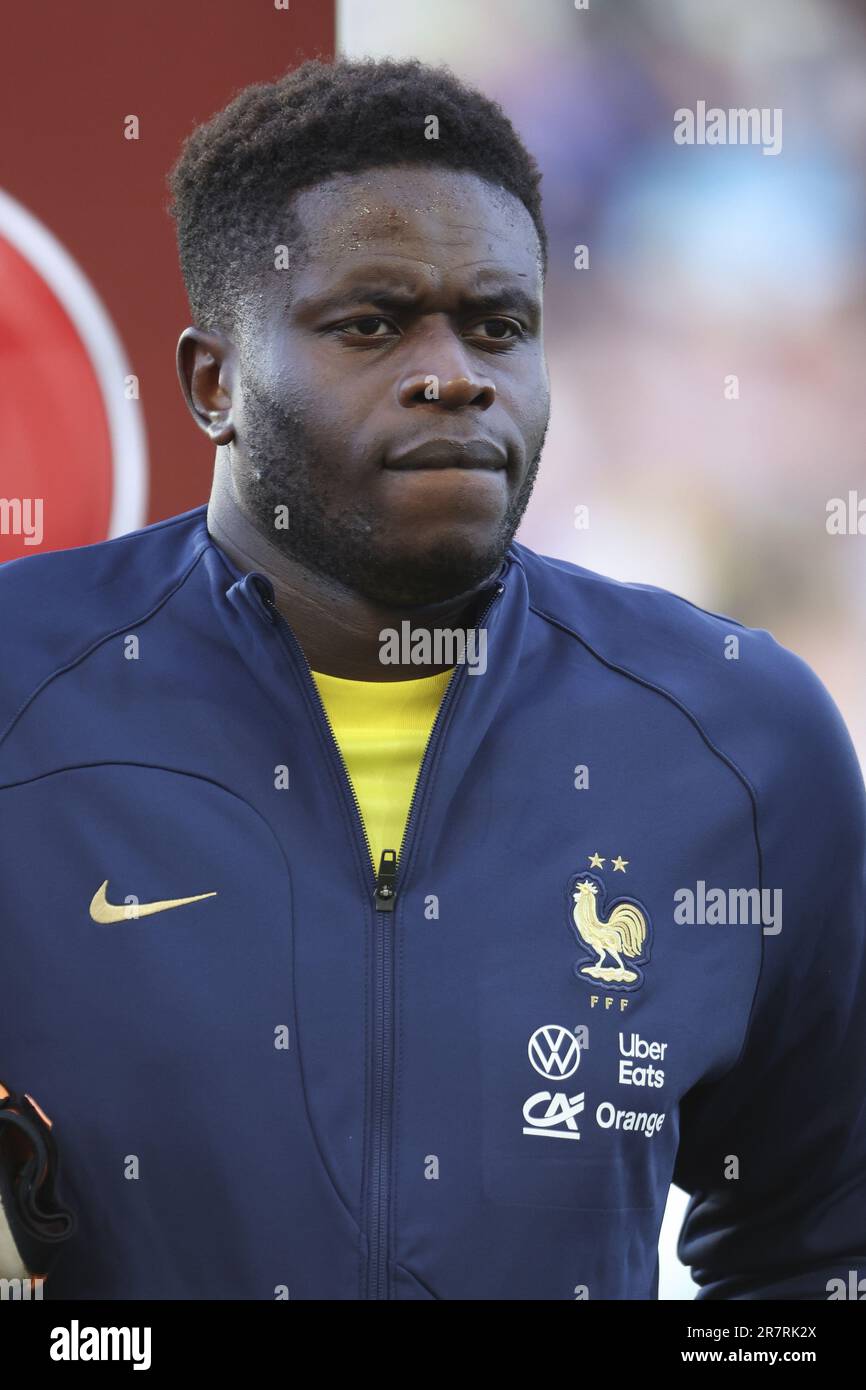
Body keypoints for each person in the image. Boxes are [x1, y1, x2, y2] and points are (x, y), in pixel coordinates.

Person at [0, 57, 863, 1301]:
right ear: (213, 385)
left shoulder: (738, 732)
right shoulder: (23, 694)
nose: (454, 371)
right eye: (372, 322)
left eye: (499, 325)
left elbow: (819, 1248)